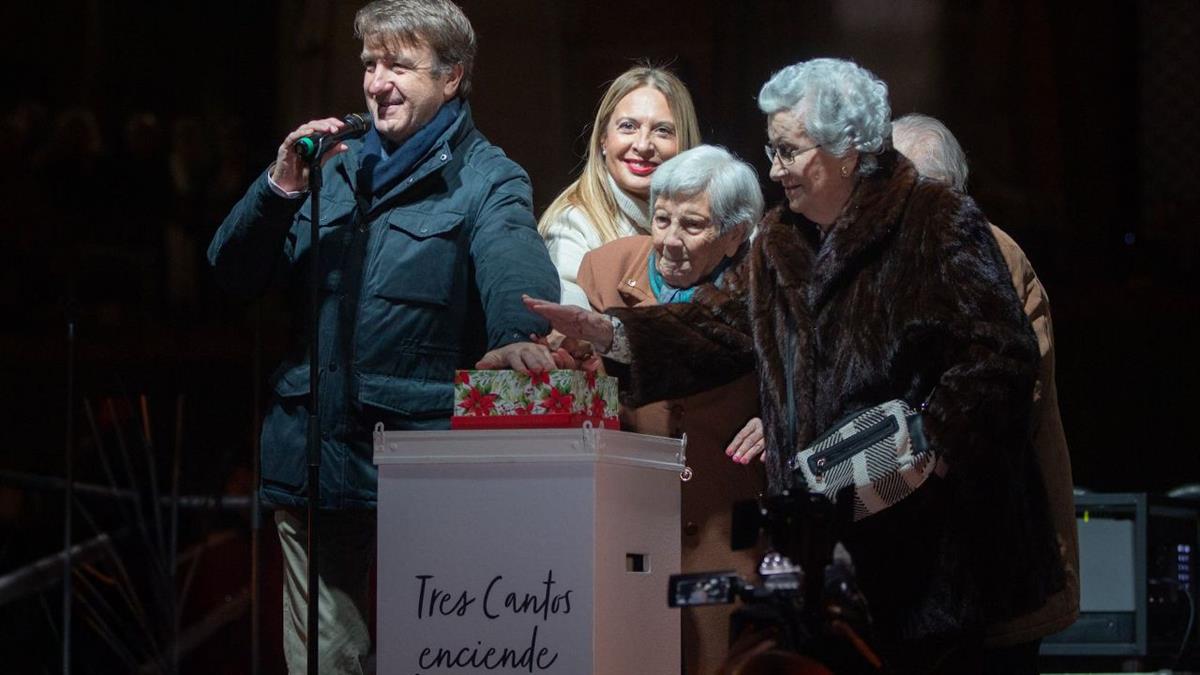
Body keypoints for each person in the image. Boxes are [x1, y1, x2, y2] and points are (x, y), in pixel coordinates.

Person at [525, 58, 1063, 674]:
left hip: (935, 552)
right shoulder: (784, 235)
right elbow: (721, 327)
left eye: (788, 150)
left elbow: (1002, 356)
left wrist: (928, 449)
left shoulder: (936, 222)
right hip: (829, 543)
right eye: (771, 149)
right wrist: (614, 334)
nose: (774, 169)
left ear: (846, 152)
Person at [207, 1, 560, 671]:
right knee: (328, 662)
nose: (378, 82)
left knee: (432, 654)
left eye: (400, 64)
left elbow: (513, 256)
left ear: (452, 78)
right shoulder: (330, 166)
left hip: (417, 463)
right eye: (371, 63)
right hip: (312, 457)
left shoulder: (488, 177)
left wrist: (519, 331)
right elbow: (231, 274)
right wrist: (279, 185)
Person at [890, 112, 1079, 665]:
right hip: (902, 557)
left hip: (991, 549)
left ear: (956, 194)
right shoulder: (868, 254)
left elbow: (1016, 391)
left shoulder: (994, 255)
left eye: (924, 191)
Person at [575, 145, 765, 674]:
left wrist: (779, 415)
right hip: (627, 527)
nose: (670, 240)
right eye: (662, 218)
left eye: (693, 225)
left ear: (734, 235)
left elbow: (803, 374)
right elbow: (572, 364)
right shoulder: (605, 269)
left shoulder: (766, 285)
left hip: (725, 530)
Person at [539, 66, 701, 308]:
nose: (643, 145)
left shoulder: (713, 218)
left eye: (663, 131)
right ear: (603, 139)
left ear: (684, 144)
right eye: (628, 126)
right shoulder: (571, 224)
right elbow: (572, 325)